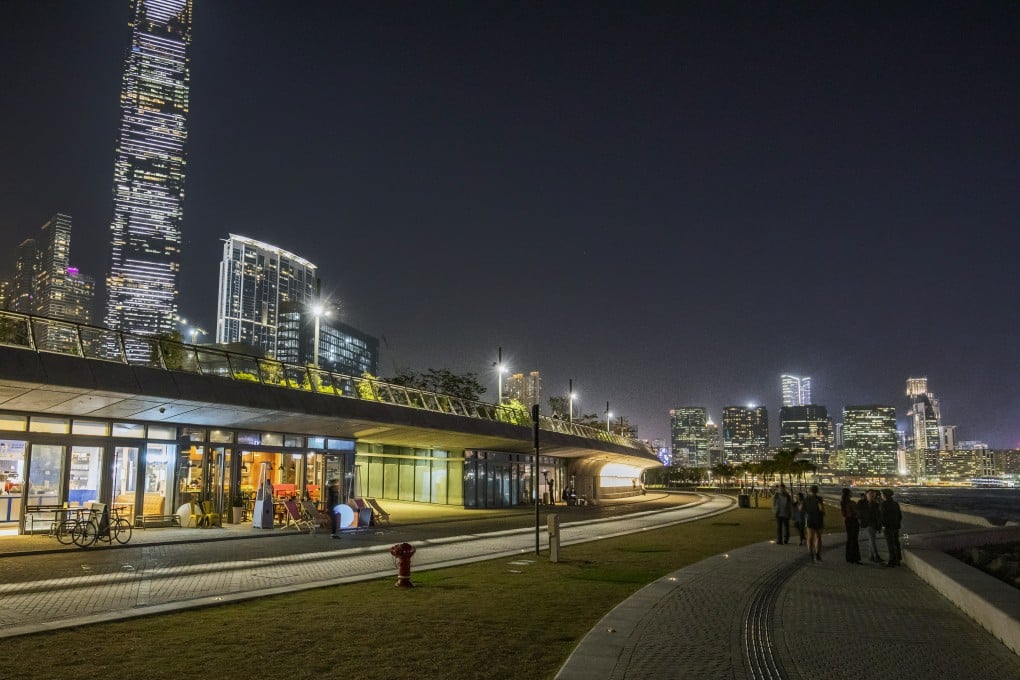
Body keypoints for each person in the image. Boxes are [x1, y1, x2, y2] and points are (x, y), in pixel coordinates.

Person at [858, 490, 883, 562]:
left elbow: (878, 515)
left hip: (874, 524)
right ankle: (876, 556)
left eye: (873, 495)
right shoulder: (864, 503)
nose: (872, 496)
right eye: (870, 495)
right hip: (870, 524)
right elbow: (859, 511)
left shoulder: (875, 504)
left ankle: (871, 556)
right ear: (867, 495)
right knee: (872, 540)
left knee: (871, 540)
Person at [880, 488, 903, 567]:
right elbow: (900, 516)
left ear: (885, 495)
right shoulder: (895, 504)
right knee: (896, 542)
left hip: (888, 526)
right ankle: (898, 560)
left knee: (890, 543)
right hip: (896, 526)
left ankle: (892, 560)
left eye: (882, 494)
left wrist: (883, 526)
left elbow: (883, 516)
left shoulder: (884, 504)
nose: (881, 495)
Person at [803, 484, 825, 561]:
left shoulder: (806, 498)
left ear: (810, 490)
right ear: (817, 491)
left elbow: (801, 508)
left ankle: (810, 553)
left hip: (810, 519)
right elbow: (821, 508)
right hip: (818, 519)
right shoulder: (819, 498)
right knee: (818, 537)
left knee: (810, 537)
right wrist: (823, 512)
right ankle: (817, 554)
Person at [840, 487, 862, 564]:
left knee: (849, 539)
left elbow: (844, 514)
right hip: (853, 521)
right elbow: (857, 513)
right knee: (854, 539)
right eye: (850, 492)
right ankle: (855, 558)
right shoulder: (852, 503)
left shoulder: (843, 502)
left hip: (847, 521)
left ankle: (849, 557)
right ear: (848, 494)